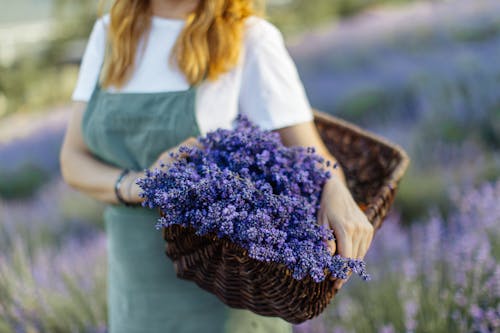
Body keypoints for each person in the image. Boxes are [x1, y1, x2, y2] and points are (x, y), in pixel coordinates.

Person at [59, 0, 374, 332]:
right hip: (135, 294)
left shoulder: (249, 37)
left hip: (224, 303)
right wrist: (139, 185)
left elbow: (313, 159)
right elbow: (72, 159)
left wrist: (337, 192)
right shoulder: (111, 33)